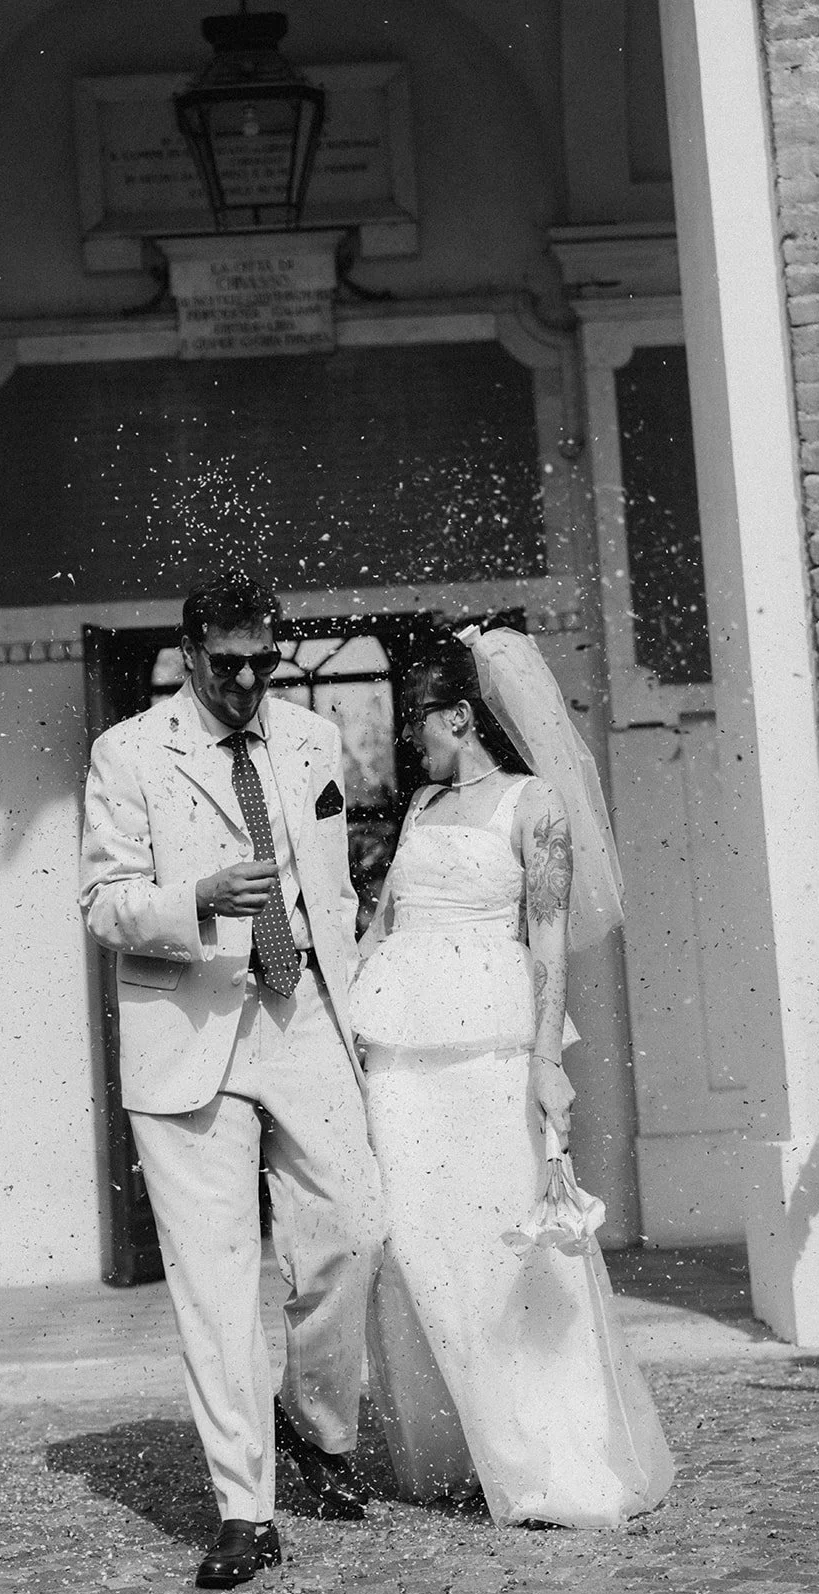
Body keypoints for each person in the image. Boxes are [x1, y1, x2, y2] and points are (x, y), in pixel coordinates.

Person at [80, 571, 382, 1590]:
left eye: (264, 661)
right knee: (214, 1286)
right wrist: (195, 899)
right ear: (189, 652)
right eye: (227, 664)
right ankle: (244, 1510)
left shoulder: (310, 739)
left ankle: (315, 1424)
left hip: (301, 1016)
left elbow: (329, 887)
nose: (248, 680)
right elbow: (102, 903)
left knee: (354, 1226)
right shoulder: (127, 752)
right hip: (189, 1031)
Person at [350, 624, 674, 1529]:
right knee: (417, 1243)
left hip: (489, 1052)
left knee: (507, 1247)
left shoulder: (535, 808)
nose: (409, 736)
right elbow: (382, 924)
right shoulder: (415, 809)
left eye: (418, 719)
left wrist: (544, 1065)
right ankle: (466, 1450)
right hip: (399, 1057)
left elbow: (545, 942)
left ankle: (551, 1461)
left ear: (458, 716)